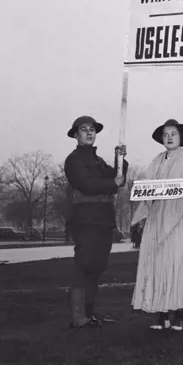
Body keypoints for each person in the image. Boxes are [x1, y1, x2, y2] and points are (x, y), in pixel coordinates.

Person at [131, 119, 183, 331]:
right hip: (158, 217)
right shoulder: (156, 161)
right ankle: (161, 313)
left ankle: (179, 315)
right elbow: (145, 185)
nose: (170, 137)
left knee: (179, 263)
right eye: (166, 134)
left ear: (181, 137)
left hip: (180, 218)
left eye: (173, 133)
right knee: (158, 264)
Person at [64, 115, 128, 329]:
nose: (89, 133)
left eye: (92, 129)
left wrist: (120, 159)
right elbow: (86, 184)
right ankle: (78, 316)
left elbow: (117, 178)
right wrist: (112, 183)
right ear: (75, 134)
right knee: (84, 266)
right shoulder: (73, 160)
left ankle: (90, 314)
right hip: (86, 218)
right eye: (84, 129)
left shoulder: (98, 161)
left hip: (103, 219)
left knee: (97, 267)